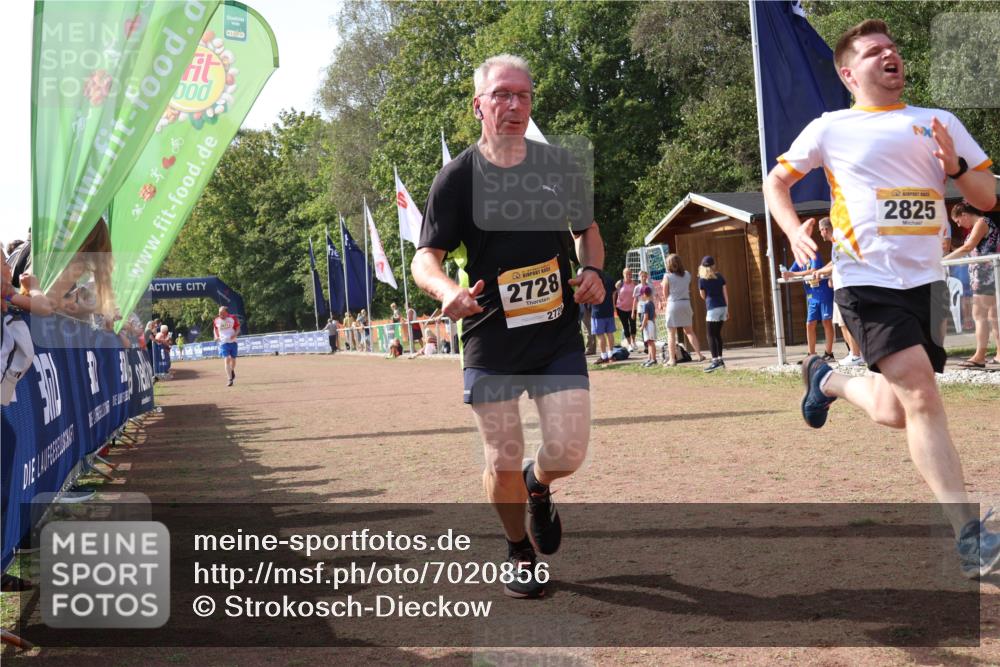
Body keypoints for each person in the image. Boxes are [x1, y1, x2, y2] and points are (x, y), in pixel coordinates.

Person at [763, 19, 999, 578]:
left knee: (898, 408)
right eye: (874, 52)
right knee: (921, 395)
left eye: (892, 49)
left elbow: (989, 198)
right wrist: (795, 229)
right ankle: (969, 536)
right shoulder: (830, 127)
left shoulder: (938, 122)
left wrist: (957, 168)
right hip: (865, 279)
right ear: (849, 73)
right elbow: (777, 182)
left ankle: (827, 379)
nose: (889, 55)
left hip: (927, 282)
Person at [411, 54, 606, 599]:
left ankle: (537, 485)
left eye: (522, 94)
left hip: (554, 331)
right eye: (502, 95)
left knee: (567, 451)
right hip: (490, 334)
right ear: (479, 105)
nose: (514, 104)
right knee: (499, 457)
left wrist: (591, 269)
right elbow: (425, 258)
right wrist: (447, 290)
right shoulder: (455, 180)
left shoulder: (557, 167)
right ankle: (518, 550)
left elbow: (587, 233)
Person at [944, 202, 999, 367]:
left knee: (980, 315)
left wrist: (942, 261)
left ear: (964, 215)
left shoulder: (982, 222)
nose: (959, 224)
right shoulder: (982, 223)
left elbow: (968, 247)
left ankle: (979, 355)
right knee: (992, 316)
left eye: (958, 221)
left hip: (985, 276)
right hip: (986, 275)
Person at [809, 218, 864, 366]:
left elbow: (836, 264)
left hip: (846, 287)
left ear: (825, 229)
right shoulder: (835, 243)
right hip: (840, 287)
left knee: (847, 322)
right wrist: (825, 272)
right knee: (841, 323)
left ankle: (856, 355)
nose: (820, 234)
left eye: (820, 231)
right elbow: (833, 262)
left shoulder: (839, 241)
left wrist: (821, 272)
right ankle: (854, 353)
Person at [781, 218, 837, 363]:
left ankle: (828, 353)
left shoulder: (813, 252)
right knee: (810, 323)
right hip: (811, 296)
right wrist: (786, 273)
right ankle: (811, 354)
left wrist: (793, 274)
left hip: (823, 292)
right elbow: (792, 271)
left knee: (826, 321)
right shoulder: (799, 258)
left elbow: (814, 269)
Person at [662, 253, 705, 366]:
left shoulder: (667, 276)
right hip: (686, 303)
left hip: (673, 304)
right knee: (689, 331)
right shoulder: (687, 274)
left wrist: (668, 303)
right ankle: (700, 355)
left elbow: (665, 293)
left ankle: (672, 359)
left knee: (671, 333)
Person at [698, 256, 728, 372]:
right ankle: (720, 359)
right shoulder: (720, 276)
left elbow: (703, 296)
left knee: (710, 335)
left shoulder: (702, 279)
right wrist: (727, 309)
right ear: (713, 265)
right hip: (723, 307)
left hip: (712, 308)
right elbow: (725, 293)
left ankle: (715, 361)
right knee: (717, 334)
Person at [591, 272, 617, 365]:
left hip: (597, 311)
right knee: (610, 333)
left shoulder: (592, 279)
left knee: (600, 334)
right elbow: (614, 292)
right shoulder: (609, 278)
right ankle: (610, 355)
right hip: (609, 309)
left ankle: (603, 356)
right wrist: (613, 304)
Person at [213, 306, 240, 386]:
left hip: (233, 342)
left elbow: (238, 328)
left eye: (221, 313)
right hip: (223, 342)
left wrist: (235, 335)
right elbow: (215, 329)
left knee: (233, 360)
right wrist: (216, 337)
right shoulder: (216, 320)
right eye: (219, 313)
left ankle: (231, 370)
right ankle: (229, 379)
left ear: (226, 313)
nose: (219, 314)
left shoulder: (233, 318)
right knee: (227, 358)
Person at [614, 268, 638, 352]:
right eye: (627, 274)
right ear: (623, 274)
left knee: (633, 325)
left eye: (630, 274)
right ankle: (629, 344)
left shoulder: (634, 283)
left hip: (632, 308)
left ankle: (634, 341)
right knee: (625, 326)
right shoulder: (619, 283)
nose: (629, 276)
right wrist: (614, 305)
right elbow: (614, 293)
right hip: (621, 308)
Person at [637, 285, 657, 367]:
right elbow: (655, 315)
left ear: (644, 294)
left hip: (648, 324)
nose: (641, 296)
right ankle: (649, 358)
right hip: (651, 323)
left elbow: (646, 317)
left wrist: (642, 326)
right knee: (649, 342)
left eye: (642, 294)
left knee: (651, 342)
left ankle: (653, 359)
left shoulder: (646, 305)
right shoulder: (651, 303)